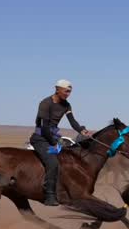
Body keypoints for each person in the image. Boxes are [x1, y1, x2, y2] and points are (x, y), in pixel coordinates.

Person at [31, 79, 91, 207]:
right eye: (66, 91)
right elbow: (44, 127)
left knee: (68, 160)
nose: (68, 94)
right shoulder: (45, 103)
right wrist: (53, 143)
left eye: (70, 92)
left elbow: (72, 121)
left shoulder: (67, 105)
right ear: (57, 89)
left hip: (53, 137)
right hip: (41, 138)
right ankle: (49, 195)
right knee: (52, 162)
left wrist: (82, 130)